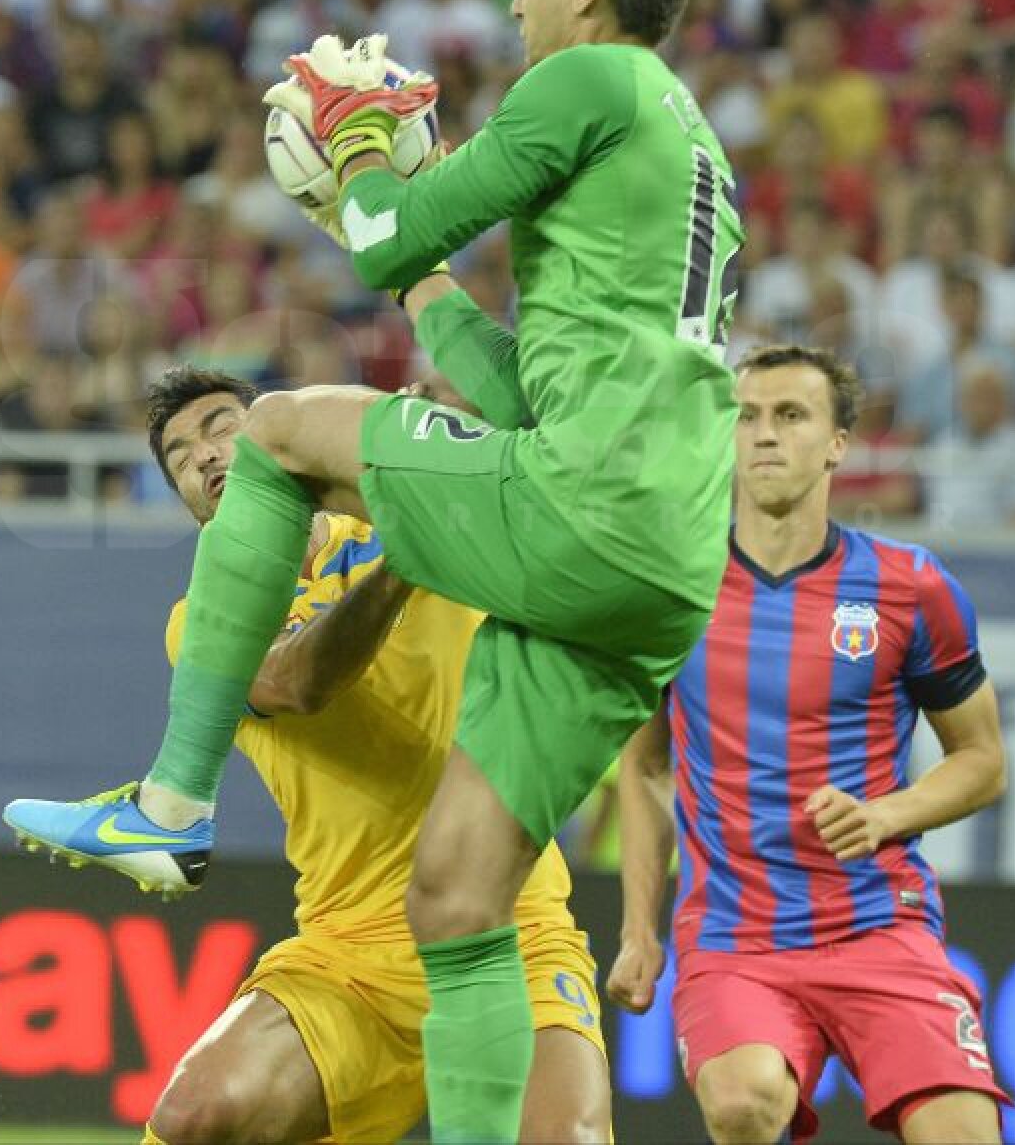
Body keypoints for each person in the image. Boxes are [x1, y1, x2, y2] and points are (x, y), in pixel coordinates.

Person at [5, 0, 744, 1143]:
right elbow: (505, 382)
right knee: (459, 894)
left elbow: (396, 229)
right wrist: (401, 250)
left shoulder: (586, 74)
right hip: (658, 556)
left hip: (588, 503)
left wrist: (355, 151)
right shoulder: (685, 144)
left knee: (282, 427)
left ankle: (171, 802)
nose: (513, 3)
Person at [41, 363, 609, 1145]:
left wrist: (431, 445)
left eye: (219, 428)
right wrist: (407, 565)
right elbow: (299, 682)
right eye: (178, 457)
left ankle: (164, 814)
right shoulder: (198, 624)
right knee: (195, 1117)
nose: (203, 457)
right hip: (353, 952)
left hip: (512, 922)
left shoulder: (399, 514)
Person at [608, 344, 1011, 1145]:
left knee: (965, 1134)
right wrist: (638, 931)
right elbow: (646, 764)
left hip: (878, 926)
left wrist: (888, 814)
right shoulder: (672, 587)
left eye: (791, 416)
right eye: (747, 417)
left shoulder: (911, 586)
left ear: (837, 444)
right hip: (734, 935)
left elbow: (983, 760)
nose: (764, 435)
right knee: (744, 1100)